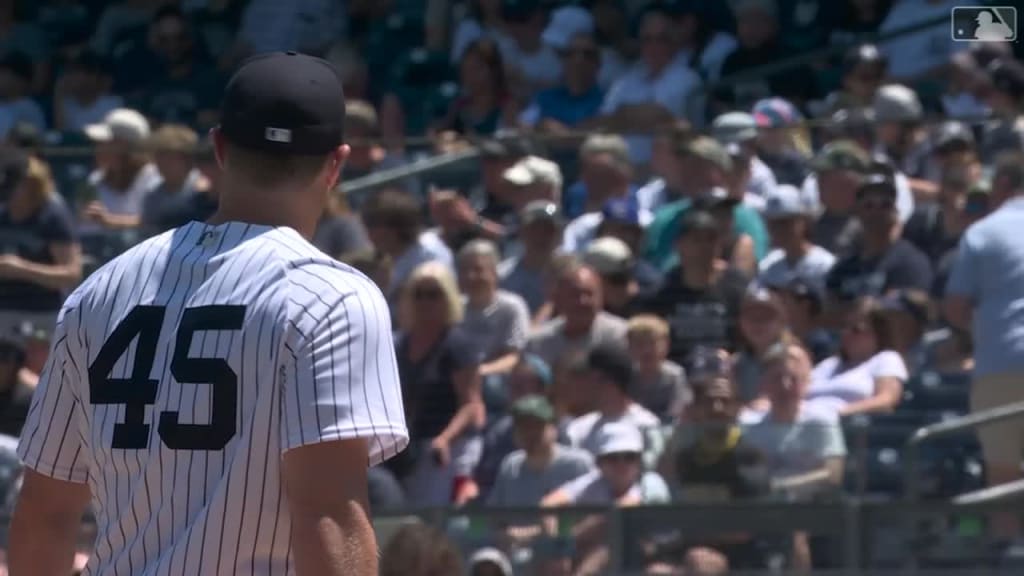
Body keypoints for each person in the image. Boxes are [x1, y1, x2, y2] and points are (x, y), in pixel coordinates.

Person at [10, 52, 408, 576]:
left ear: (219, 148)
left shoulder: (101, 291)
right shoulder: (331, 298)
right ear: (335, 164)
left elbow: (45, 514)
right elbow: (328, 516)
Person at [945, 150, 1024, 541]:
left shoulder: (983, 230)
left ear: (1003, 186)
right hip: (1001, 359)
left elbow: (956, 307)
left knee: (1004, 475)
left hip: (1002, 363)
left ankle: (1011, 558)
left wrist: (983, 332)